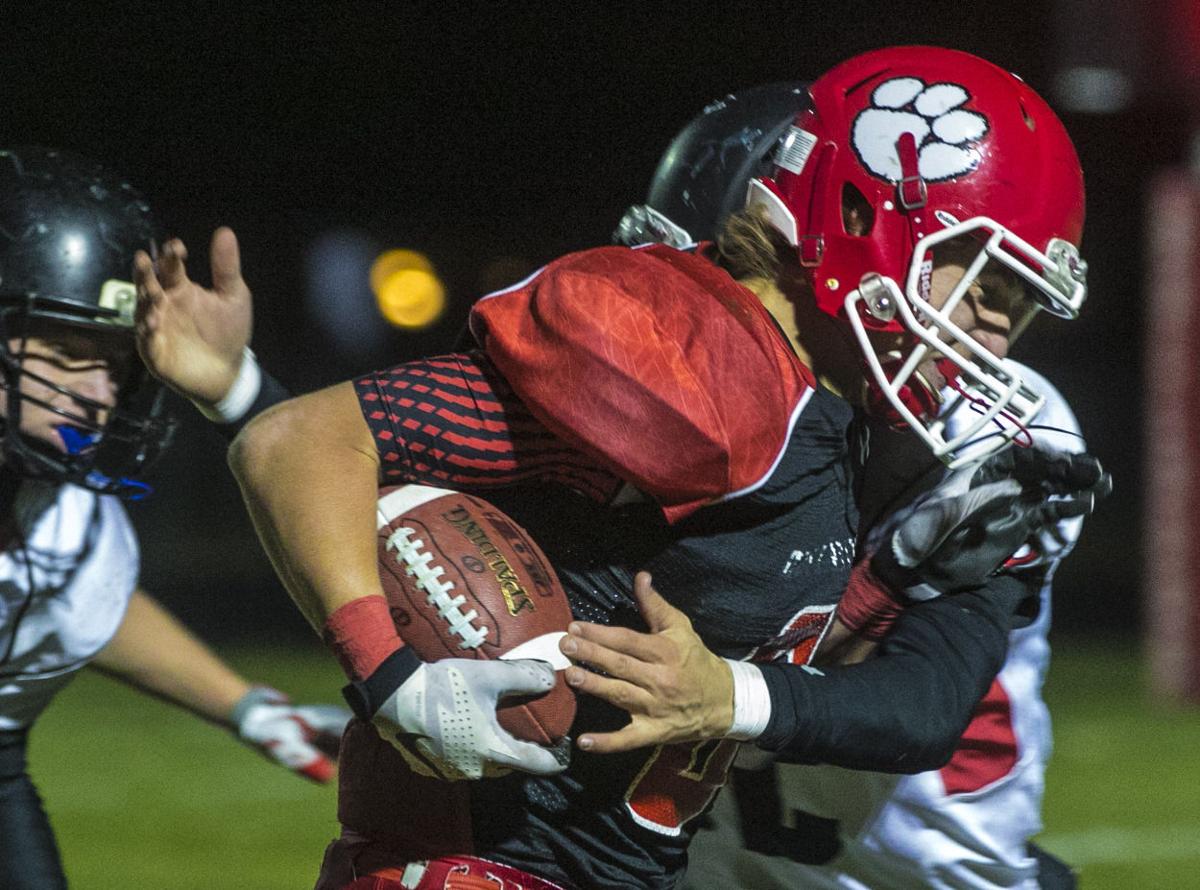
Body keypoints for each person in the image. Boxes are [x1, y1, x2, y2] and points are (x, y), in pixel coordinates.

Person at [134, 47, 1107, 890]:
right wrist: (391, 676)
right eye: (984, 282)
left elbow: (735, 622)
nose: (994, 330)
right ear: (868, 217)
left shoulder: (832, 414)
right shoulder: (698, 364)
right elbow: (308, 443)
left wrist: (888, 583)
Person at [617, 80, 1086, 889]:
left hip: (920, 865)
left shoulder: (992, 427)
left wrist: (882, 586)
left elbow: (905, 701)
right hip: (715, 853)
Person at [0, 146, 351, 890]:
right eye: (65, 351)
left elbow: (70, 599)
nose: (97, 393)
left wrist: (245, 707)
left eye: (116, 361)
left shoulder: (53, 504)